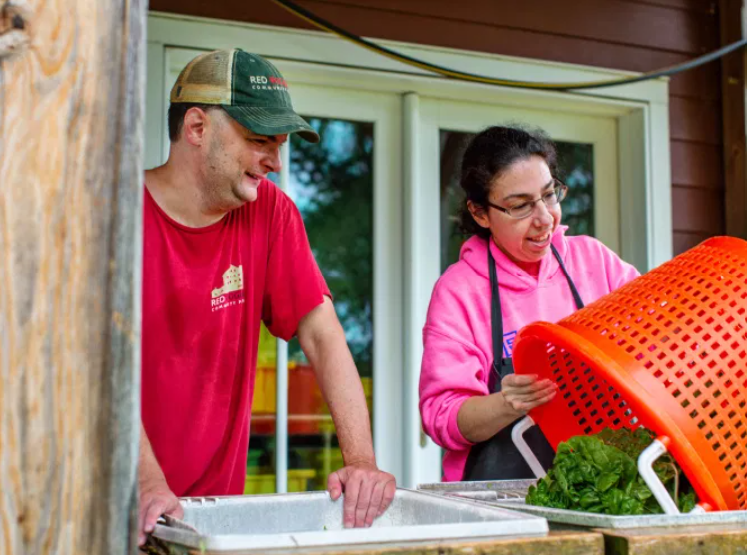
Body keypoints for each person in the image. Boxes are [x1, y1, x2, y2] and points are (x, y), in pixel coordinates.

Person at [138, 49, 395, 545]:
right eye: (259, 141)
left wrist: (361, 463)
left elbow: (322, 335)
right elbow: (92, 366)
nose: (275, 163)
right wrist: (146, 482)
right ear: (197, 128)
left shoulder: (270, 213)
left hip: (213, 524)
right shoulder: (116, 212)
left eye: (279, 145)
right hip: (116, 508)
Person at [419, 125, 640, 482]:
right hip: (499, 503)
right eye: (520, 206)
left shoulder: (595, 262)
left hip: (603, 485)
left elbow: (653, 337)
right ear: (480, 213)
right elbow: (440, 416)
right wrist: (506, 403)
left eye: (549, 195)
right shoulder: (459, 291)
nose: (544, 218)